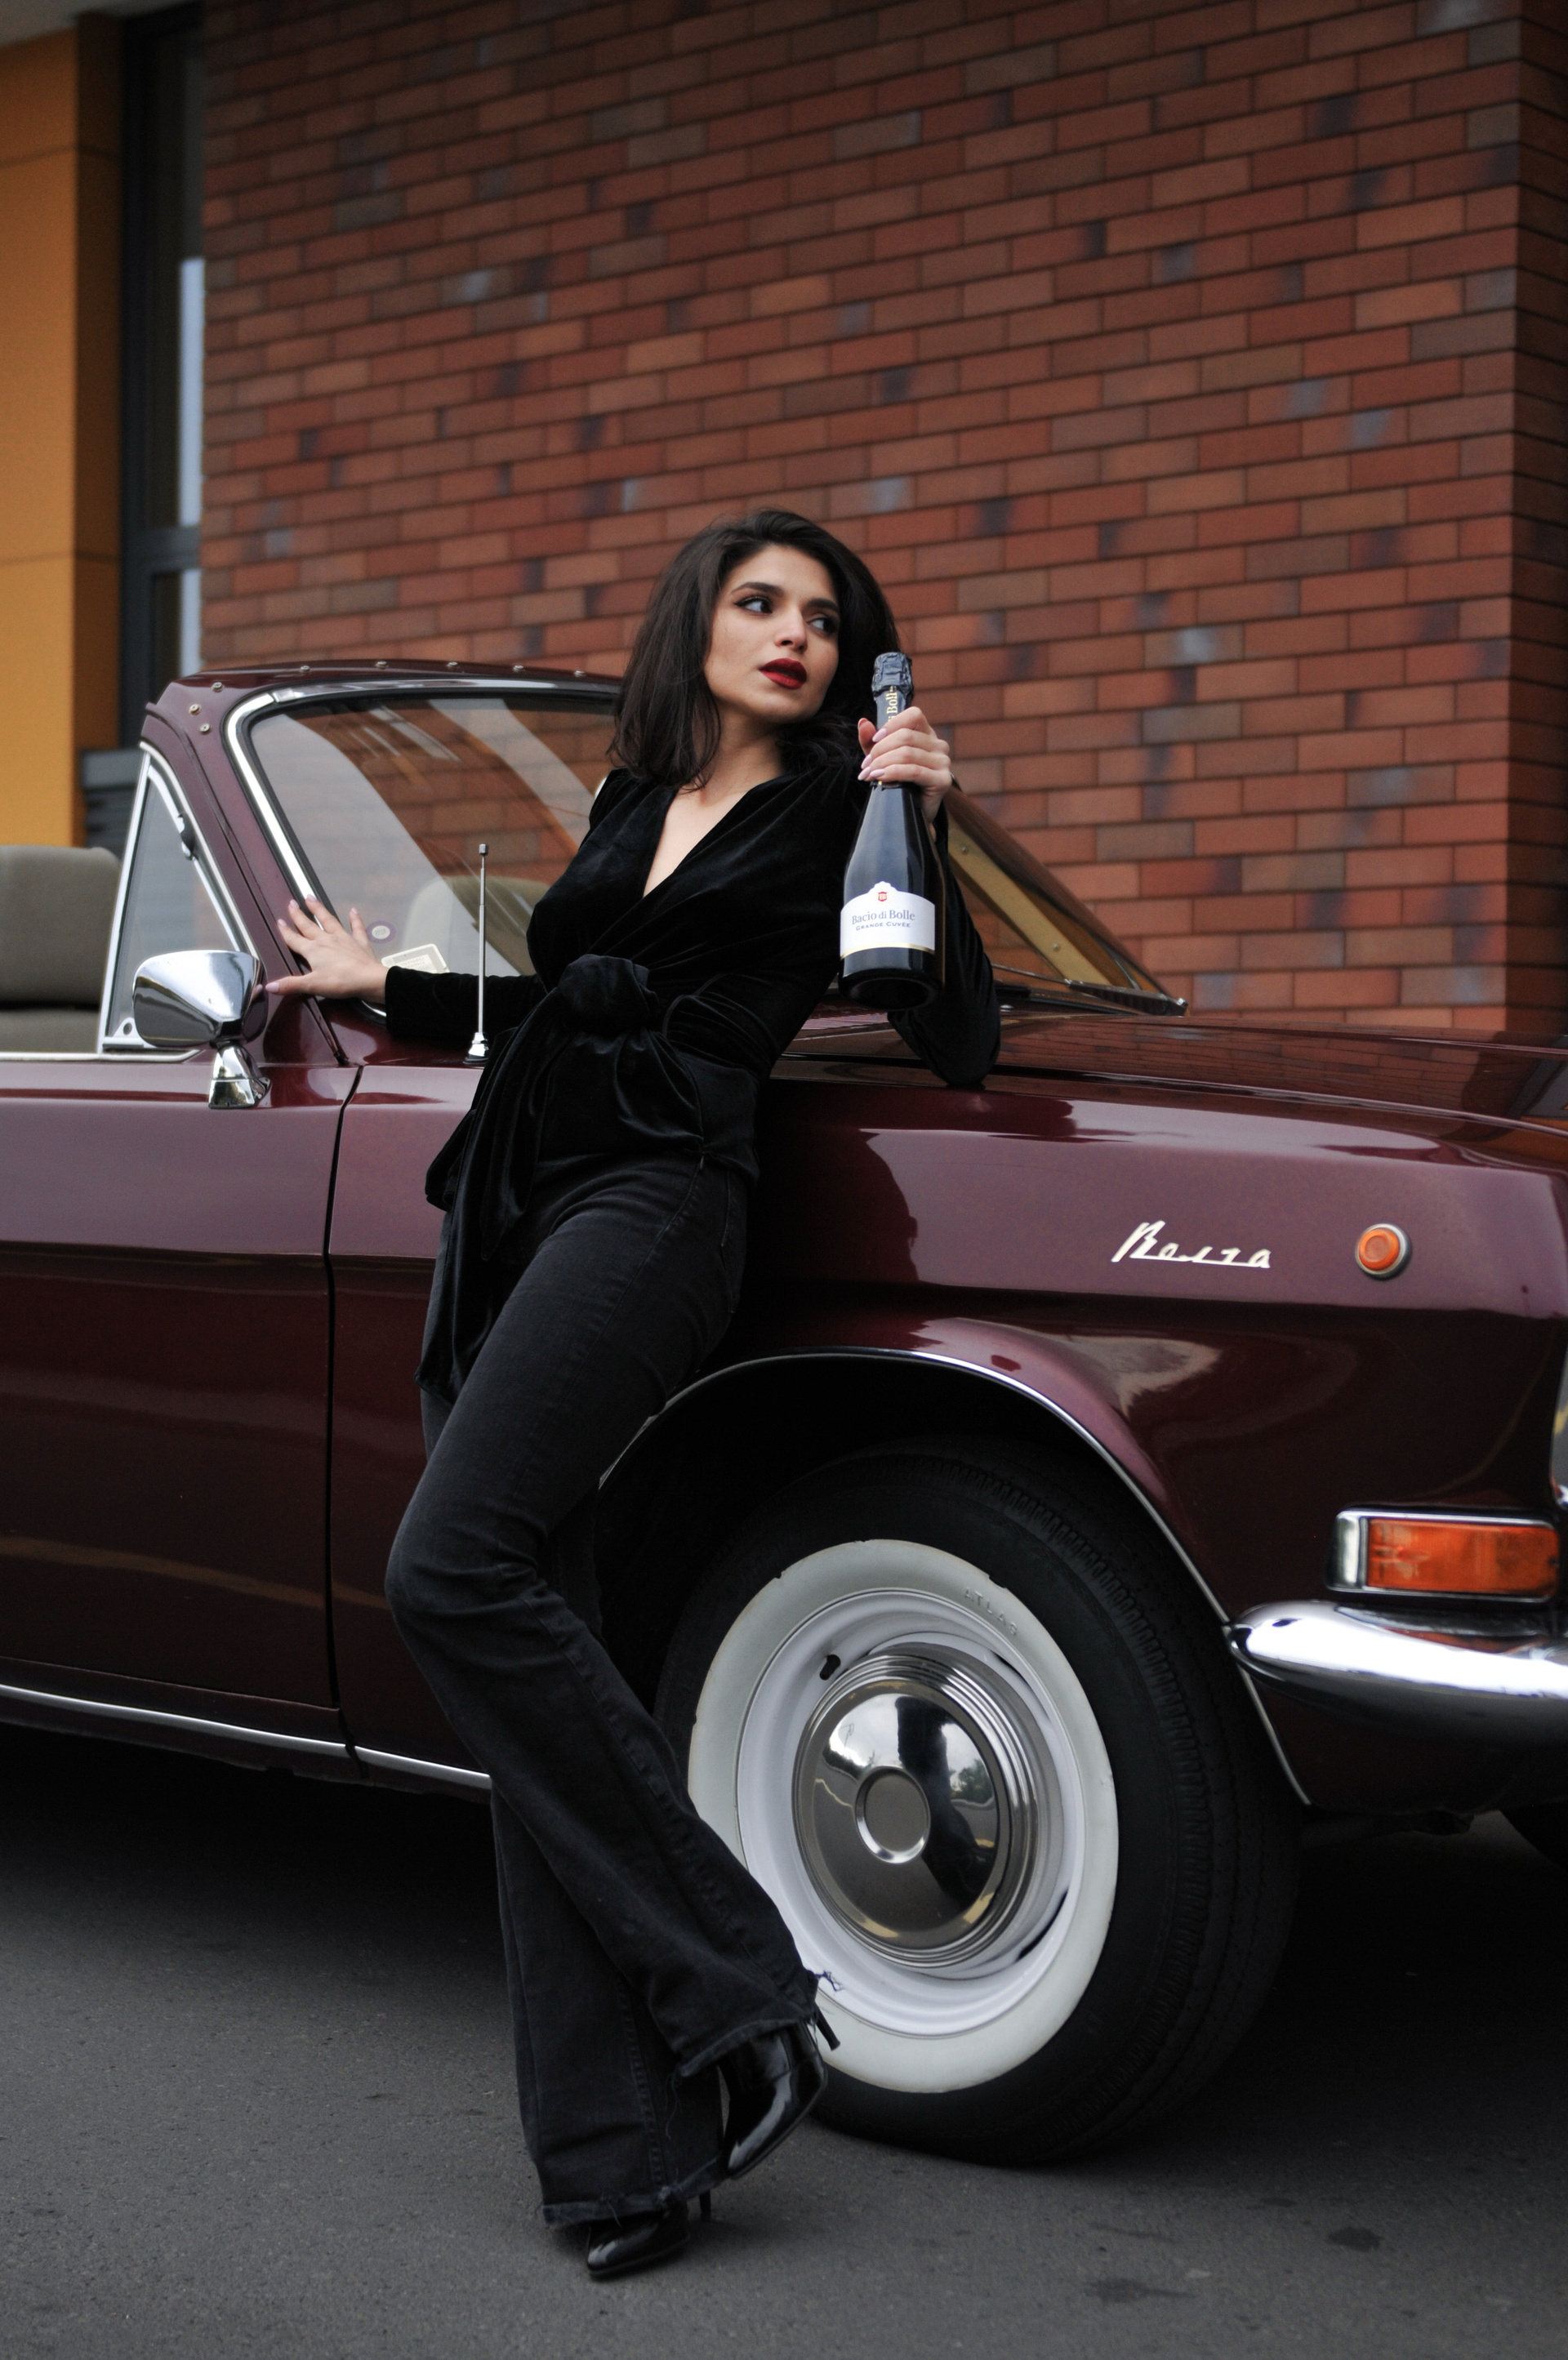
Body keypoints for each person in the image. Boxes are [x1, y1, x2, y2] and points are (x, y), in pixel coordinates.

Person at [272, 509, 999, 2278]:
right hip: (519, 1202)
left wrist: (929, 816)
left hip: (661, 1198)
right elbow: (566, 997)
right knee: (542, 1655)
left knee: (453, 1569)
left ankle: (743, 1983)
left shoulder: (842, 809)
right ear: (699, 625)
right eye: (759, 602)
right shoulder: (629, 796)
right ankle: (621, 2163)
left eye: (822, 616)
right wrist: (393, 984)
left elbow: (952, 1028)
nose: (793, 633)